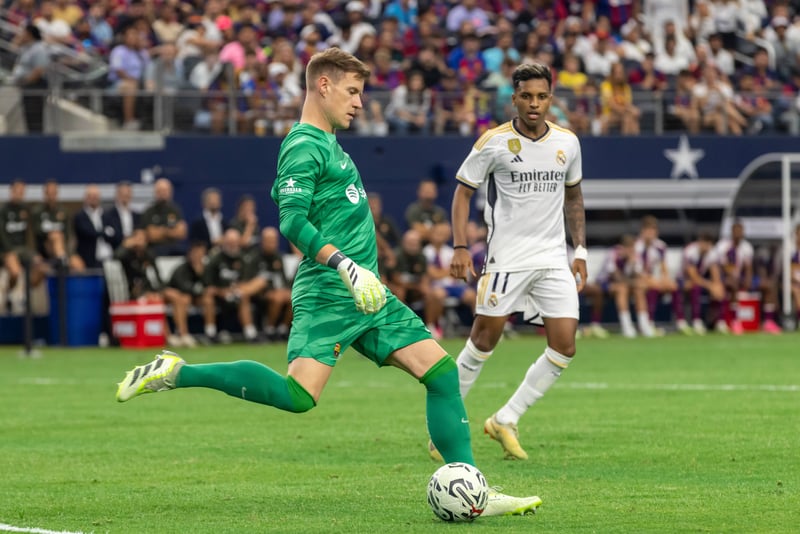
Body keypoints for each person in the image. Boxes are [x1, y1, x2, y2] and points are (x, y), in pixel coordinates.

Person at [115, 48, 540, 517]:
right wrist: (343, 265)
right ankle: (177, 372)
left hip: (368, 294)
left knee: (442, 375)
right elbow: (291, 222)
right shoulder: (303, 145)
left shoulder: (331, 142)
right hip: (330, 289)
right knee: (298, 396)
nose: (359, 102)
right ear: (323, 86)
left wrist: (360, 272)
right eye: (352, 91)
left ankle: (474, 489)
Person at [438, 63, 587, 461]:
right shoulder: (494, 142)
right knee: (483, 341)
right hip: (506, 258)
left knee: (564, 346)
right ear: (514, 99)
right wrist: (460, 246)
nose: (534, 104)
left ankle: (506, 418)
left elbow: (574, 197)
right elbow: (462, 193)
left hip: (553, 258)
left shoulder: (568, 143)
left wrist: (580, 250)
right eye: (526, 96)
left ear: (550, 98)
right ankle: (444, 426)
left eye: (541, 96)